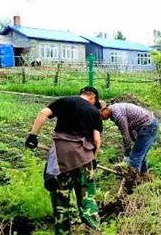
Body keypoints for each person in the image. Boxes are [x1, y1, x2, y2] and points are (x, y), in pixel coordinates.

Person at [25, 86, 103, 234]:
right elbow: (97, 140)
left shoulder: (65, 101)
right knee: (87, 199)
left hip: (61, 158)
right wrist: (93, 158)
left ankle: (62, 232)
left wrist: (33, 135)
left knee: (61, 200)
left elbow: (43, 113)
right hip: (84, 158)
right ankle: (93, 231)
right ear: (93, 98)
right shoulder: (94, 112)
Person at [99, 102, 159, 180]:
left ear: (104, 109)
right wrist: (134, 140)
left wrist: (126, 155)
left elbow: (125, 135)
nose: (101, 118)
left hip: (148, 127)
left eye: (100, 115)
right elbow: (129, 129)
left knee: (134, 157)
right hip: (149, 125)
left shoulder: (117, 115)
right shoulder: (115, 110)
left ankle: (133, 183)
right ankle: (144, 178)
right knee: (141, 155)